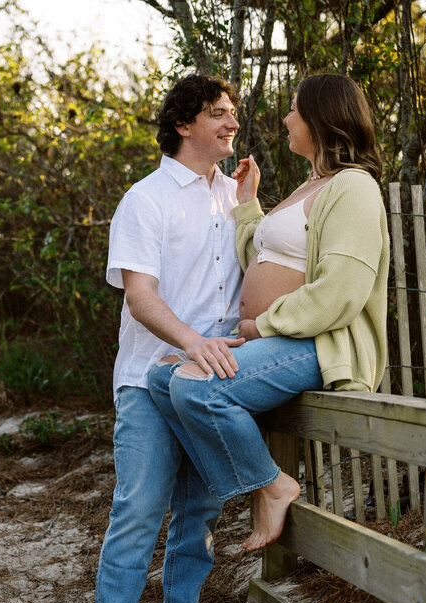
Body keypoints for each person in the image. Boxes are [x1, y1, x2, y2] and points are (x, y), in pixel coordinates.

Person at [149, 73, 389, 552]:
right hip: (279, 341)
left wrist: (265, 324)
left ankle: (269, 484)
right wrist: (248, 205)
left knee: (198, 388)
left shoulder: (354, 188)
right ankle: (252, 482)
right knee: (160, 377)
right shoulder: (312, 185)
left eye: (295, 109)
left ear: (323, 119)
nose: (286, 117)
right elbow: (263, 260)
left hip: (317, 344)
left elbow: (342, 290)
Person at [87, 74, 247, 603]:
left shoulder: (234, 196)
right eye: (218, 114)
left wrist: (250, 203)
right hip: (149, 378)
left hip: (210, 384)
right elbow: (140, 298)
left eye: (233, 113)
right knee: (140, 506)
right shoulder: (145, 199)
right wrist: (192, 342)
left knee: (200, 513)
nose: (232, 122)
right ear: (184, 125)